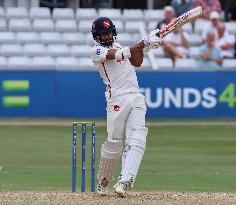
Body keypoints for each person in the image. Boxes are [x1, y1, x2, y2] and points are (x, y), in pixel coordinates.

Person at [90, 17, 163, 197]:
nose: (107, 36)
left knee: (138, 138)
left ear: (113, 32)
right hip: (116, 99)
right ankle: (104, 180)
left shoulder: (121, 45)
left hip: (136, 96)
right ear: (97, 36)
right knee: (114, 143)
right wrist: (143, 42)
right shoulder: (97, 51)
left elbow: (136, 62)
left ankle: (124, 181)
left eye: (109, 32)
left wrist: (146, 47)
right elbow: (117, 55)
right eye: (103, 33)